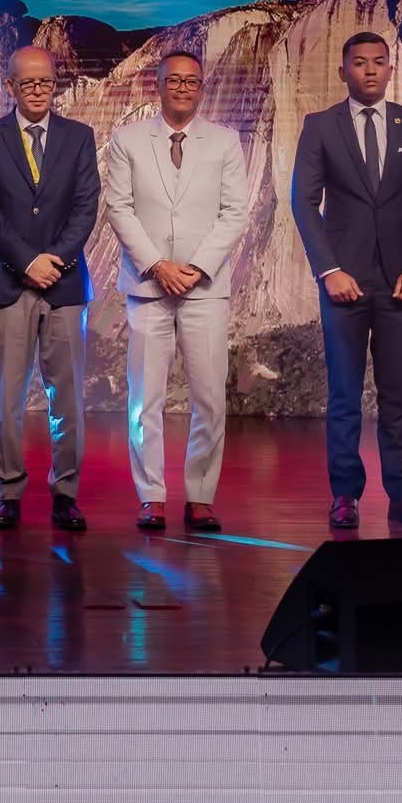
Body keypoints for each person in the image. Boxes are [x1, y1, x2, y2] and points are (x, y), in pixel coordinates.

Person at [290, 31, 402, 531]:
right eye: (360, 63)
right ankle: (344, 495)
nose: (371, 70)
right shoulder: (320, 127)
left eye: (379, 62)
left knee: (397, 395)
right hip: (343, 281)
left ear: (390, 68)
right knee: (344, 394)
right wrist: (329, 270)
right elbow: (303, 203)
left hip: (401, 279)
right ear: (343, 71)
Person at [104, 50, 249, 533]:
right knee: (145, 399)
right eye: (174, 80)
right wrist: (156, 265)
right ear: (158, 84)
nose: (183, 88)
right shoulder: (127, 140)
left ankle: (201, 496)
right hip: (148, 285)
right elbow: (119, 208)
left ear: (202, 87)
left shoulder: (225, 141)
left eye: (192, 81)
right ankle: (151, 496)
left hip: (204, 288)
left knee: (209, 398)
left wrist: (198, 267)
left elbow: (235, 212)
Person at [0, 46, 101, 532]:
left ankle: (66, 494)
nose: (39, 90)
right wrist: (26, 262)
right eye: (28, 83)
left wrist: (54, 261)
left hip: (64, 285)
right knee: (7, 399)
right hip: (7, 282)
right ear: (10, 86)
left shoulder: (79, 136)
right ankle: (9, 493)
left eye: (46, 82)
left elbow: (86, 206)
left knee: (67, 399)